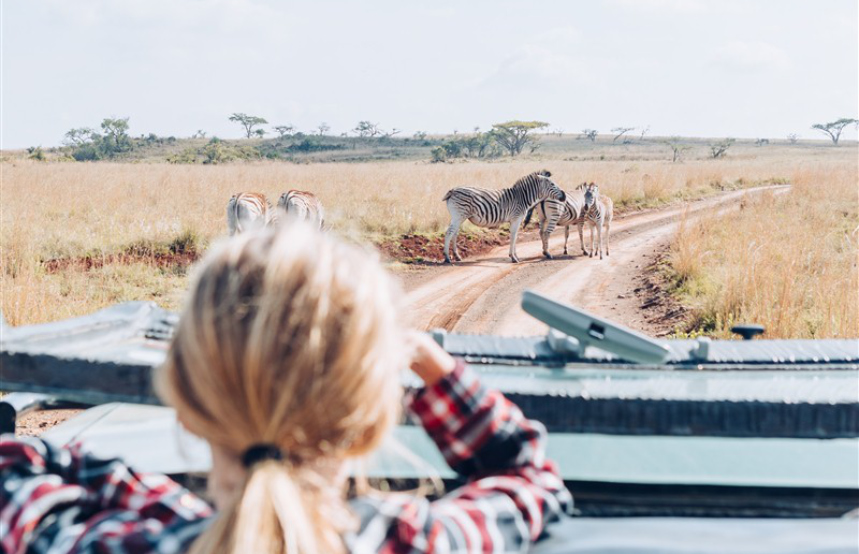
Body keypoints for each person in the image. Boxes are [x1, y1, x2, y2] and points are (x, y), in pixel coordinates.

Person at [0, 223, 572, 553]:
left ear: (189, 409)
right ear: (372, 418)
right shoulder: (414, 539)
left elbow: (19, 468)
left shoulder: (122, 544)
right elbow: (527, 477)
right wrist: (428, 361)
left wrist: (167, 501)